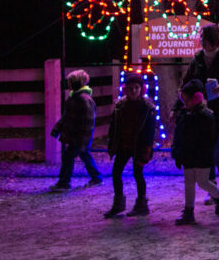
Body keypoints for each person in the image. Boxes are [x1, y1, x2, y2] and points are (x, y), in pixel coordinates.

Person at [180, 24, 219, 205]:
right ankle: (213, 189)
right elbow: (188, 81)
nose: (204, 44)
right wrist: (183, 101)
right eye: (203, 41)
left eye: (207, 41)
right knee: (206, 150)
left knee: (215, 148)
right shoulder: (198, 59)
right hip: (203, 112)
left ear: (215, 42)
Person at [171, 79, 219, 225]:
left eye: (186, 99)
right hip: (188, 155)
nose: (184, 103)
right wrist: (177, 150)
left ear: (196, 98)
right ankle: (189, 211)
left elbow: (208, 139)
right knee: (189, 182)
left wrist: (204, 154)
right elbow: (179, 134)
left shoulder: (206, 116)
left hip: (201, 156)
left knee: (202, 181)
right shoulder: (185, 115)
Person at [103, 73, 157, 218]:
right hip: (124, 145)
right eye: (131, 88)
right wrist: (112, 142)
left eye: (136, 88)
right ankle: (118, 204)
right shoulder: (120, 106)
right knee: (116, 173)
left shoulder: (147, 108)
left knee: (138, 174)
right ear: (125, 89)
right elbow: (114, 126)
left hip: (138, 147)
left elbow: (150, 131)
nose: (133, 91)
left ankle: (141, 204)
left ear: (141, 89)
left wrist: (146, 150)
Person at [49, 69, 103, 192]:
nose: (69, 85)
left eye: (71, 82)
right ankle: (96, 178)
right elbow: (67, 116)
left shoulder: (83, 99)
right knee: (84, 155)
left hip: (79, 137)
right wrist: (58, 129)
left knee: (68, 156)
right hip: (77, 136)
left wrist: (82, 139)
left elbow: (87, 122)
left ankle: (64, 182)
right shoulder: (76, 98)